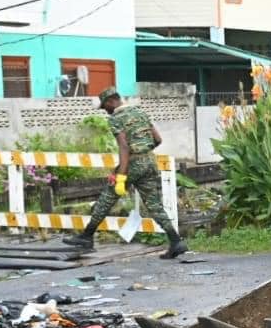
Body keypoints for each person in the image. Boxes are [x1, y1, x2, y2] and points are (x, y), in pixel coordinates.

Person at [62, 88, 187, 259]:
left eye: (105, 107)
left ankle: (87, 236)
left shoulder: (116, 119)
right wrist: (143, 153)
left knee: (107, 198)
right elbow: (158, 140)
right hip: (150, 161)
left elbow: (124, 147)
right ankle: (176, 241)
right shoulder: (139, 112)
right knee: (154, 204)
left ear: (110, 101)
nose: (105, 111)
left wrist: (120, 174)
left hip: (132, 165)